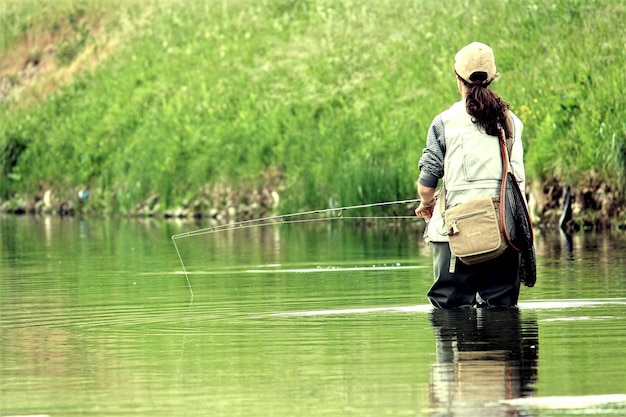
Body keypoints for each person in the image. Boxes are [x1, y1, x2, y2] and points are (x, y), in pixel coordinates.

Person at [415, 42, 526, 309]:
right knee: (502, 310)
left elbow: (427, 184)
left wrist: (426, 204)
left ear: (458, 77)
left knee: (449, 310)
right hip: (505, 231)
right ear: (492, 78)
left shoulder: (444, 122)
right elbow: (518, 181)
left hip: (455, 235)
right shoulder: (512, 121)